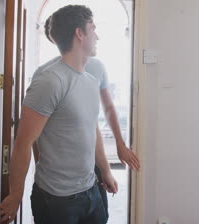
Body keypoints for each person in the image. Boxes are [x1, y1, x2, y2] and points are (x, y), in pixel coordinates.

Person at [0, 5, 117, 224]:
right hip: (56, 200)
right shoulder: (50, 81)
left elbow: (93, 129)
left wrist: (106, 171)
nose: (97, 36)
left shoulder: (91, 81)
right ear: (79, 34)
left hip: (91, 191)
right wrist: (15, 195)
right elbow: (23, 143)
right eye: (93, 29)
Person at [37, 15, 141, 219]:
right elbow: (34, 133)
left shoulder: (97, 67)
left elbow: (108, 108)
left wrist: (119, 146)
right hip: (59, 177)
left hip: (91, 162)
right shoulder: (46, 76)